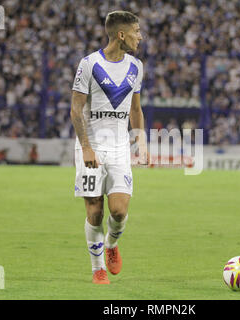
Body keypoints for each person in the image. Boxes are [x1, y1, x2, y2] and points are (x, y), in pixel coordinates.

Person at [70, 11, 148, 284]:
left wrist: (141, 139)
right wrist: (87, 148)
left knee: (118, 210)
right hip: (90, 147)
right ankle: (98, 269)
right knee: (94, 210)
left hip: (119, 148)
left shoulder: (136, 66)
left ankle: (112, 245)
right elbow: (76, 108)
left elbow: (136, 108)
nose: (141, 36)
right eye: (137, 31)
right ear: (121, 34)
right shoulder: (89, 64)